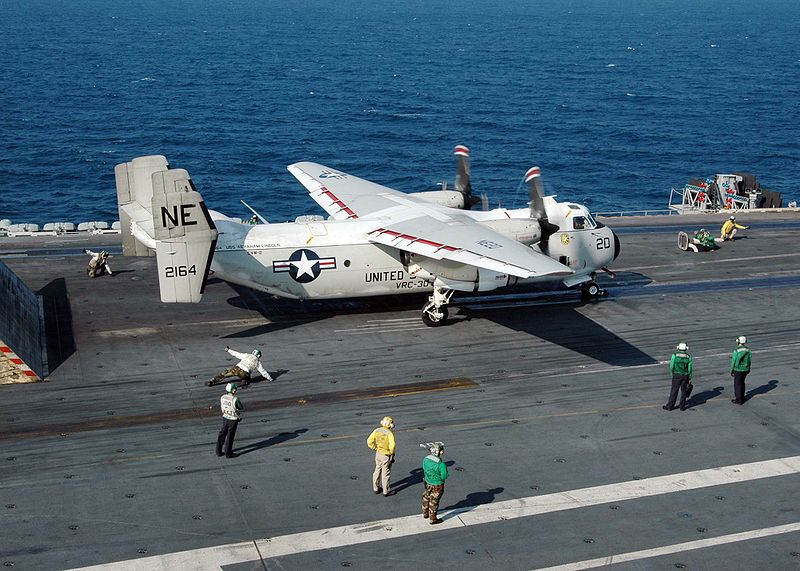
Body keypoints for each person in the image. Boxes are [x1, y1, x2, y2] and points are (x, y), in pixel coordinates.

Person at [208, 346, 273, 387]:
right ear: (259, 356)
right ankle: (244, 382)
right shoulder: (257, 362)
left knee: (224, 374)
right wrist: (270, 378)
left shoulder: (247, 355)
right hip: (244, 373)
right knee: (248, 379)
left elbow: (236, 354)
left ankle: (212, 380)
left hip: (236, 368)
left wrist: (228, 350)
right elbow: (263, 371)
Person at [367, 416, 396, 497]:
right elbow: (392, 446)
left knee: (377, 470)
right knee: (385, 473)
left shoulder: (377, 430)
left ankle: (376, 488)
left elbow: (369, 441)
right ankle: (386, 491)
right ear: (390, 425)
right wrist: (392, 455)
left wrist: (375, 448)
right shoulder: (389, 433)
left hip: (378, 453)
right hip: (386, 455)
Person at [421, 442, 448, 524]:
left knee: (426, 496)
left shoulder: (425, 459)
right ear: (440, 452)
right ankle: (433, 519)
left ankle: (425, 513)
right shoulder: (441, 464)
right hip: (437, 484)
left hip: (427, 482)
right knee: (434, 501)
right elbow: (444, 476)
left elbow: (424, 468)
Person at [216, 382, 243, 458]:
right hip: (233, 419)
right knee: (230, 435)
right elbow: (241, 407)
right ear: (233, 390)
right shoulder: (235, 399)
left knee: (222, 433)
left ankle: (218, 451)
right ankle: (228, 453)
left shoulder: (222, 397)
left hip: (225, 417)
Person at [664, 342, 693, 411]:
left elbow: (671, 366)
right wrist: (689, 377)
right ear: (686, 348)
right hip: (685, 375)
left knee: (674, 390)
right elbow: (690, 368)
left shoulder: (674, 355)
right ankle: (682, 406)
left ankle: (670, 406)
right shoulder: (688, 357)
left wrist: (672, 373)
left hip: (676, 375)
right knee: (684, 391)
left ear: (679, 348)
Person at [731, 336, 751, 404]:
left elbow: (733, 361)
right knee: (742, 383)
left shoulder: (736, 350)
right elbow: (749, 360)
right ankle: (742, 397)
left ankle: (739, 400)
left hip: (738, 370)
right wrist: (748, 368)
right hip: (745, 369)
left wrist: (732, 370)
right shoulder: (748, 350)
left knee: (737, 385)